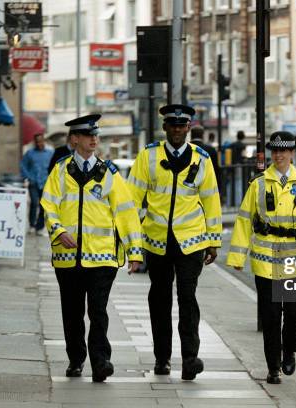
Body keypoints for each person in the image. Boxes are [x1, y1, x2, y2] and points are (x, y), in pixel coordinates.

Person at [226, 131, 296, 384]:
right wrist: (237, 256)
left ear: (291, 153)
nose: (279, 155)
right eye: (275, 151)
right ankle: (273, 366)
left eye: (283, 151)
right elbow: (244, 221)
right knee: (271, 316)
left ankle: (289, 350)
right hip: (266, 262)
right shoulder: (258, 184)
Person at [40, 114, 144, 382]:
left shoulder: (109, 173)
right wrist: (59, 231)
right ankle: (76, 360)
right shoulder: (61, 171)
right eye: (88, 135)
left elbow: (126, 213)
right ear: (74, 139)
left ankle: (101, 362)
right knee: (72, 312)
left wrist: (135, 252)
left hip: (102, 258)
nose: (94, 139)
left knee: (98, 311)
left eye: (95, 135)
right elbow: (48, 206)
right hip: (68, 258)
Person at [127, 104, 222, 381]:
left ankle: (190, 359)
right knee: (159, 299)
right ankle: (162, 358)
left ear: (189, 128)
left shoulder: (201, 159)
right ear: (165, 127)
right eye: (173, 125)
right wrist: (132, 240)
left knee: (187, 298)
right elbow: (132, 199)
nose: (178, 130)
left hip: (190, 241)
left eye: (183, 126)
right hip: (156, 240)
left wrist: (213, 240)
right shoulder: (149, 156)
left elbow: (211, 200)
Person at [21, 133, 53, 236]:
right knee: (34, 203)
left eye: (41, 141)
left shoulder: (50, 153)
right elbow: (22, 166)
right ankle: (32, 225)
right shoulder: (30, 153)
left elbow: (55, 166)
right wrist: (28, 177)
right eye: (37, 141)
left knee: (43, 205)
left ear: (44, 141)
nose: (39, 143)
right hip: (33, 183)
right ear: (35, 142)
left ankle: (40, 227)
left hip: (46, 183)